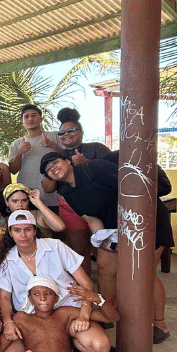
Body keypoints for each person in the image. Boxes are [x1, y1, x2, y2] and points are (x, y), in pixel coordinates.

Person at [41, 150, 174, 342]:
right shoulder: (66, 191)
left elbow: (134, 187)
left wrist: (133, 229)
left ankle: (159, 322)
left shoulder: (94, 168)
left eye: (54, 162)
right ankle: (106, 313)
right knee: (104, 269)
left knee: (142, 274)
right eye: (47, 169)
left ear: (68, 161)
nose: (52, 168)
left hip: (145, 223)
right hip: (113, 230)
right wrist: (102, 240)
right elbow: (91, 218)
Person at [0, 210, 111, 352]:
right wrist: (8, 322)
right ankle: (60, 343)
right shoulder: (7, 260)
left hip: (68, 312)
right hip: (34, 320)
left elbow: (86, 283)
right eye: (17, 230)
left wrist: (84, 315)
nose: (23, 235)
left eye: (28, 229)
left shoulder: (55, 246)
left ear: (35, 230)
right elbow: (5, 297)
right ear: (10, 232)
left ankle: (68, 341)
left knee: (100, 347)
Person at [41, 107, 113, 276]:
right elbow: (48, 188)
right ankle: (87, 290)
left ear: (80, 131)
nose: (66, 134)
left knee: (102, 252)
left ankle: (108, 289)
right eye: (61, 132)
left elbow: (112, 171)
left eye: (71, 130)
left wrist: (85, 162)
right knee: (78, 252)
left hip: (99, 206)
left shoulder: (97, 148)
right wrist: (55, 169)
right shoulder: (56, 157)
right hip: (69, 207)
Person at [7, 104, 60, 209]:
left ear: (40, 118)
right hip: (26, 199)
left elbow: (68, 158)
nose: (30, 119)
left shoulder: (55, 136)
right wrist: (19, 153)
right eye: (26, 116)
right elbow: (13, 170)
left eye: (34, 115)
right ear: (22, 121)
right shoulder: (17, 143)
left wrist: (53, 145)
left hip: (53, 197)